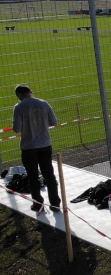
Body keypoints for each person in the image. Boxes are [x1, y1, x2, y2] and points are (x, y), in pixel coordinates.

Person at [12, 84, 61, 212]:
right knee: (49, 174)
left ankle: (38, 204)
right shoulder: (44, 104)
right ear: (30, 92)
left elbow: (17, 128)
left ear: (19, 95)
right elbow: (54, 122)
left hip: (29, 146)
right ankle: (55, 203)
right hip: (45, 144)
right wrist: (41, 124)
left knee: (32, 176)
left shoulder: (19, 107)